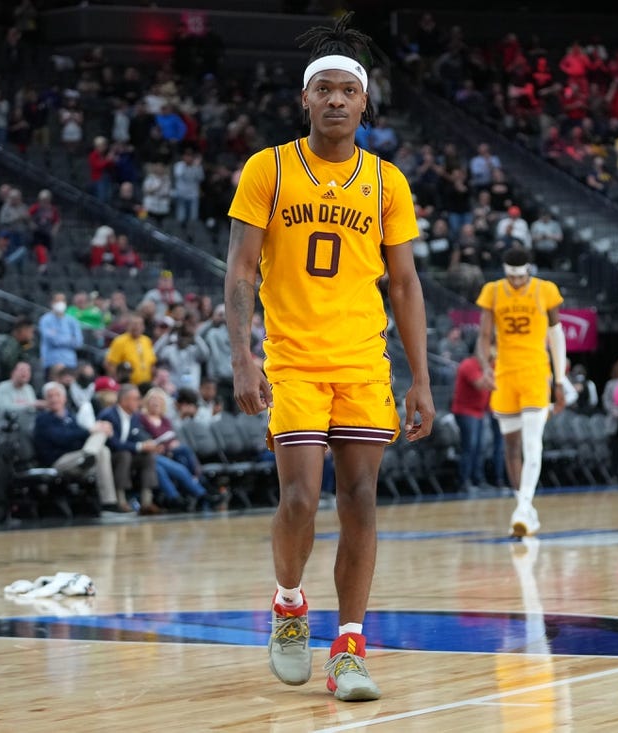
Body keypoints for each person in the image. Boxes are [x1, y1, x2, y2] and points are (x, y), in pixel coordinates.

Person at [224, 13, 434, 703]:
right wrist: (242, 358)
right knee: (300, 497)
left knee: (362, 498)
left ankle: (348, 644)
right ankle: (288, 604)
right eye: (326, 90)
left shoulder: (387, 182)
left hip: (362, 362)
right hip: (291, 360)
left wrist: (421, 379)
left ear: (365, 102)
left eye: (350, 90)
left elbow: (404, 283)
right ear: (305, 99)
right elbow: (240, 271)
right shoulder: (269, 168)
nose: (338, 100)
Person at [475, 247, 567, 537]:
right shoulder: (492, 291)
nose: (515, 281)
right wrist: (484, 366)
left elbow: (557, 336)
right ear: (504, 271)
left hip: (536, 373)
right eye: (511, 276)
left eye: (520, 276)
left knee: (532, 444)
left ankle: (523, 508)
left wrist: (561, 380)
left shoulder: (545, 290)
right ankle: (525, 509)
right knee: (511, 447)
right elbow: (484, 337)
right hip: (504, 374)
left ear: (529, 270)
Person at [33, 381, 133, 515]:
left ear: (64, 398)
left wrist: (100, 428)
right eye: (50, 396)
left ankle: (109, 504)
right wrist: (92, 430)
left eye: (57, 395)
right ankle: (89, 455)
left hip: (77, 458)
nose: (54, 399)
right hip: (58, 461)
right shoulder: (42, 419)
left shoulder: (70, 417)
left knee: (103, 450)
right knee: (98, 436)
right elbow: (61, 438)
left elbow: (79, 437)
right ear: (45, 400)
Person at [98, 384, 163, 516]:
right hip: (108, 458)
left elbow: (140, 434)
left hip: (126, 454)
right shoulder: (108, 415)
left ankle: (146, 502)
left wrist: (149, 443)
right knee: (124, 455)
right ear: (124, 400)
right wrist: (139, 446)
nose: (139, 402)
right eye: (136, 399)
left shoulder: (135, 416)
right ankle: (120, 501)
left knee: (148, 457)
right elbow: (113, 443)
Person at [450, 354, 491, 492]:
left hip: (479, 412)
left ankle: (478, 480)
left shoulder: (485, 366)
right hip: (466, 412)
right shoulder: (469, 364)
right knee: (470, 447)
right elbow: (481, 384)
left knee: (481, 448)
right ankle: (464, 482)